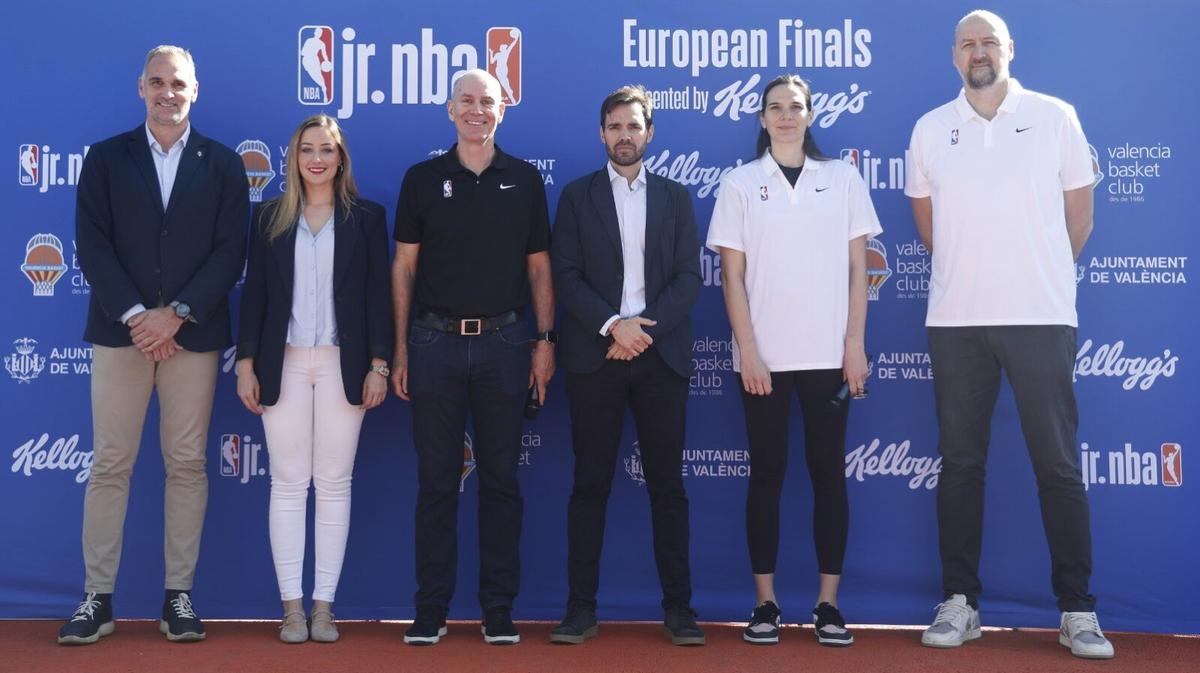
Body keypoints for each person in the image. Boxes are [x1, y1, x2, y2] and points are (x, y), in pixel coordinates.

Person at [905, 10, 1111, 660]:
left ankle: (1077, 608)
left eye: (988, 40)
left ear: (1010, 49)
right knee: (960, 464)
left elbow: (1079, 218)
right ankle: (960, 601)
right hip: (956, 321)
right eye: (967, 42)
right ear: (953, 56)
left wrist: (1036, 275)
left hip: (1042, 317)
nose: (978, 51)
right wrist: (979, 276)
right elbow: (929, 229)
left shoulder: (1055, 116)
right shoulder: (931, 129)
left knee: (1057, 464)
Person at [60, 45, 248, 645]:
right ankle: (97, 598)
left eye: (180, 85)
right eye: (159, 83)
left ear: (196, 92)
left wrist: (179, 315)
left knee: (187, 466)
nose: (169, 93)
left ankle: (179, 598)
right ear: (141, 88)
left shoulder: (221, 164)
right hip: (122, 335)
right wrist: (141, 316)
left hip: (191, 340)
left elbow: (229, 251)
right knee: (111, 464)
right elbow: (92, 244)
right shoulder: (106, 159)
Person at [707, 74, 880, 647]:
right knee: (768, 475)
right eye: (775, 108)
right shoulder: (739, 183)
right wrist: (749, 350)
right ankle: (766, 604)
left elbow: (861, 271)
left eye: (795, 107)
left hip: (830, 358)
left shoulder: (843, 179)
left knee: (828, 474)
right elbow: (731, 276)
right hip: (763, 361)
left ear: (810, 115)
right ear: (761, 118)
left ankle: (828, 605)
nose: (786, 116)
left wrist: (854, 346)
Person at [391, 69, 555, 646]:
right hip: (433, 344)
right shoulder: (422, 179)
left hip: (506, 345)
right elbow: (404, 267)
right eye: (467, 101)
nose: (477, 110)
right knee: (436, 484)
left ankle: (498, 609)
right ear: (449, 109)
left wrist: (545, 342)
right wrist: (401, 346)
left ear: (503, 110)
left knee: (502, 483)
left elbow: (540, 268)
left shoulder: (527, 180)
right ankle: (431, 609)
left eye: (488, 101)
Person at [549, 85, 704, 646]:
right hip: (597, 358)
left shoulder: (677, 198)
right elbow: (565, 275)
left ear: (650, 133)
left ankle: (680, 611)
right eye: (614, 126)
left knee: (669, 488)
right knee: (589, 485)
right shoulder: (575, 197)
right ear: (601, 134)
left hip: (659, 359)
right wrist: (615, 326)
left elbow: (690, 277)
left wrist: (641, 330)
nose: (624, 135)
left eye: (633, 126)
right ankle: (579, 610)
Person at [235, 114, 393, 644]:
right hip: (282, 362)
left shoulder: (367, 217)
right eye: (307, 150)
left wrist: (378, 364)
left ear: (341, 157)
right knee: (286, 483)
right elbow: (254, 294)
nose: (317, 159)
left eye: (327, 149)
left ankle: (324, 607)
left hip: (341, 365)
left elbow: (377, 297)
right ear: (294, 157)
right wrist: (246, 363)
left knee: (333, 484)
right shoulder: (270, 218)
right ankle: (292, 609)